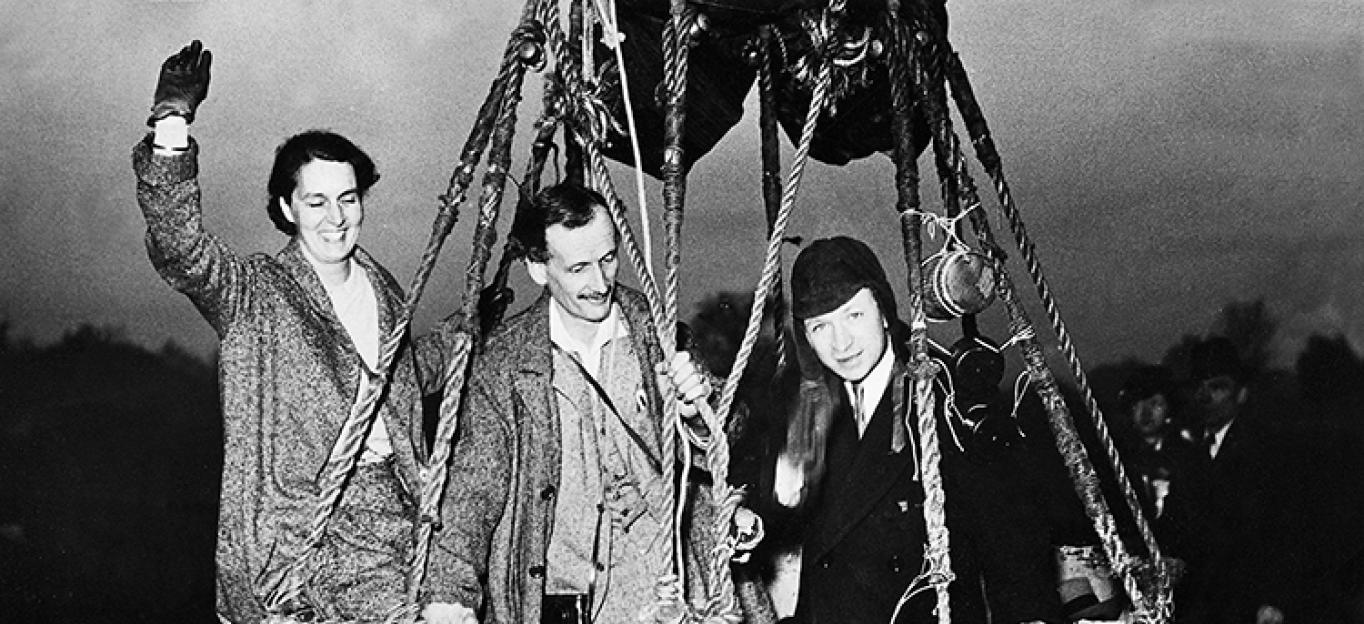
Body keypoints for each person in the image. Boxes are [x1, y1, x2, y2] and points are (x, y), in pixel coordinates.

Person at [133, 41, 463, 622]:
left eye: (348, 199)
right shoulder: (254, 294)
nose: (335, 218)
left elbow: (403, 377)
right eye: (316, 201)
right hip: (306, 545)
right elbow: (180, 248)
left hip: (401, 517)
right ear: (287, 208)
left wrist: (471, 324)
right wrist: (171, 121)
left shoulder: (383, 291)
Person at [422, 183, 717, 624]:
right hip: (560, 603)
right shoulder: (502, 364)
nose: (600, 283)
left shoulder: (659, 335)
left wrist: (696, 416)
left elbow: (735, 431)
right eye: (579, 268)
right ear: (539, 269)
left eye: (608, 259)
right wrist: (449, 594)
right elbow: (471, 491)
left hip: (662, 599)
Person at [760, 236, 1059, 624]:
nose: (841, 343)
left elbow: (1014, 553)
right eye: (821, 327)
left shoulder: (950, 399)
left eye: (854, 316)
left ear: (884, 311)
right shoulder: (807, 408)